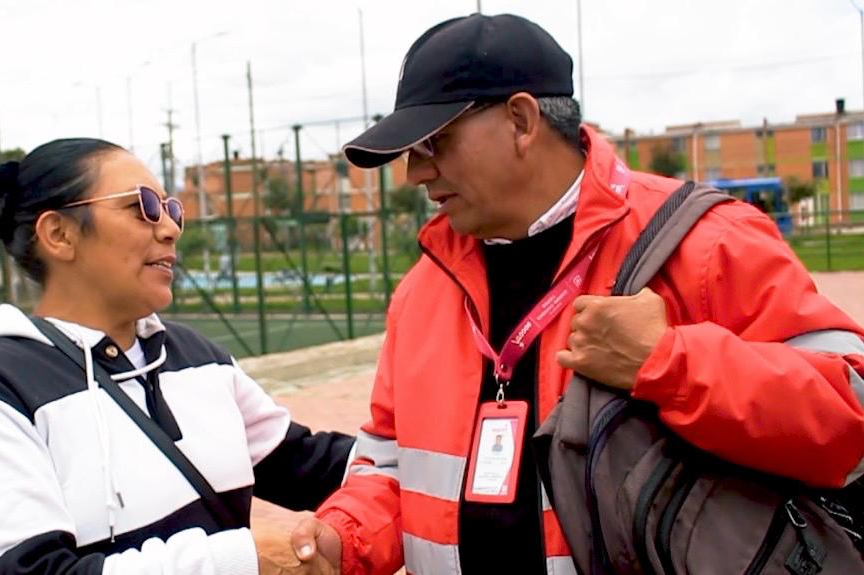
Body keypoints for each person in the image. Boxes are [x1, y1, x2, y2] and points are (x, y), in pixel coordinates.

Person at [288, 13, 864, 575]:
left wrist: (670, 363)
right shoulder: (423, 290)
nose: (415, 171)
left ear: (520, 120)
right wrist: (344, 535)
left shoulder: (706, 243)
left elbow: (851, 418)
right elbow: (389, 461)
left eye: (435, 142)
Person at [0, 138, 353, 574]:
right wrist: (239, 561)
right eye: (143, 208)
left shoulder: (195, 355)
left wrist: (414, 455)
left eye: (172, 209)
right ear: (59, 234)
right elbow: (30, 570)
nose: (169, 227)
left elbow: (308, 464)